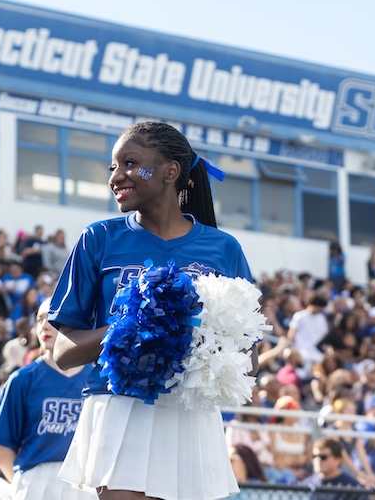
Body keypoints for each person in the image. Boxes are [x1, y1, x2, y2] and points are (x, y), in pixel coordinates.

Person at [49, 121, 253, 500]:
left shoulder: (223, 248)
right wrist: (133, 327)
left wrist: (195, 336)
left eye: (130, 163)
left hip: (189, 410)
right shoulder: (99, 238)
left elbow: (249, 360)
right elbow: (63, 353)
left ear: (170, 172)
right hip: (121, 405)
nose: (116, 176)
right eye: (113, 167)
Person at [0, 299, 92, 498]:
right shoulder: (21, 380)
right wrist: (23, 487)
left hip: (85, 481)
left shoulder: (97, 379)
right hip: (35, 482)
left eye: (53, 318)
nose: (44, 325)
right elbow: (3, 451)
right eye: (39, 320)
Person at [304, 437, 368, 500]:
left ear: (338, 459)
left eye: (323, 457)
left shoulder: (354, 487)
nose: (318, 460)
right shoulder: (307, 484)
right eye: (315, 456)